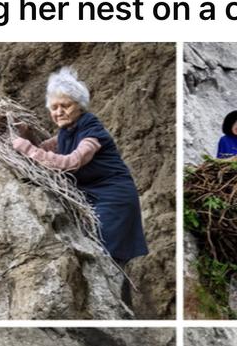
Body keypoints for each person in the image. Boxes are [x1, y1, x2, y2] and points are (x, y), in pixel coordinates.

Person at [11, 67, 149, 306]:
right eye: (54, 107)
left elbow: (70, 163)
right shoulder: (65, 132)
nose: (59, 111)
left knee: (107, 254)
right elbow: (44, 151)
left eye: (66, 105)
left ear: (80, 105)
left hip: (114, 199)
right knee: (96, 251)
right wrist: (24, 135)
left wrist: (26, 147)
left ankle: (115, 306)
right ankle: (113, 304)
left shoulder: (92, 131)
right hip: (93, 196)